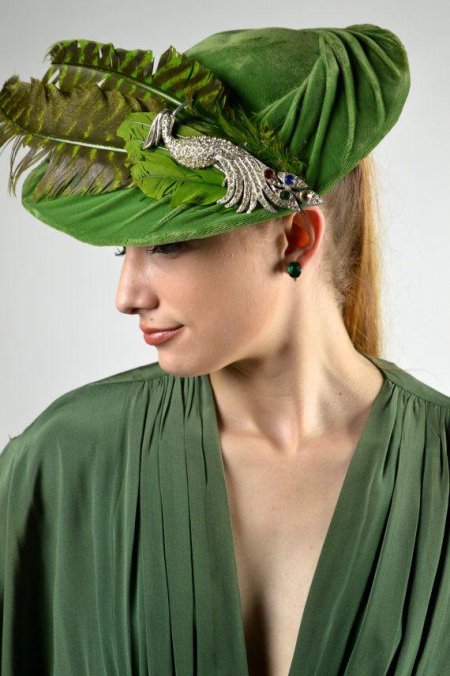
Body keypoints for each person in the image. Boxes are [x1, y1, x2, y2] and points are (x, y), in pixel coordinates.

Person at [0, 24, 449, 676]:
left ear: (295, 238)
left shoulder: (441, 471)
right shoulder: (64, 463)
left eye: (168, 244)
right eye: (122, 249)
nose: (126, 295)